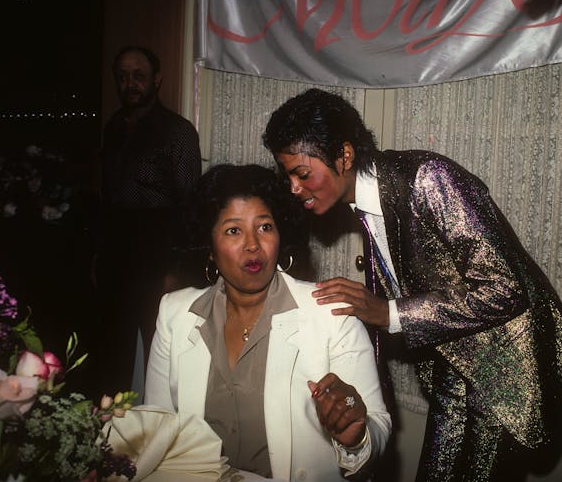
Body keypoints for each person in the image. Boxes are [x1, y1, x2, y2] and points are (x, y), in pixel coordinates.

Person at [262, 88, 562, 482]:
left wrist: (387, 311)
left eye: (301, 173)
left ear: (344, 157)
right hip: (453, 373)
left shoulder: (427, 180)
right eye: (288, 176)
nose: (294, 188)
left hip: (502, 379)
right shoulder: (366, 207)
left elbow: (504, 288)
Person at [144, 164, 391, 481]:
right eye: (234, 230)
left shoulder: (331, 313)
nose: (252, 245)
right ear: (209, 248)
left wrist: (356, 436)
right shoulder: (174, 313)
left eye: (264, 227)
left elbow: (378, 427)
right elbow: (156, 430)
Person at [94, 46, 201, 396]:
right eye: (122, 76)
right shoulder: (114, 127)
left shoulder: (178, 131)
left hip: (158, 252)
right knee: (112, 351)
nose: (130, 84)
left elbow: (190, 206)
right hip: (116, 252)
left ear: (156, 79)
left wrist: (176, 267)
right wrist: (98, 255)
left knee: (161, 354)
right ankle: (110, 437)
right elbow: (106, 197)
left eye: (138, 75)